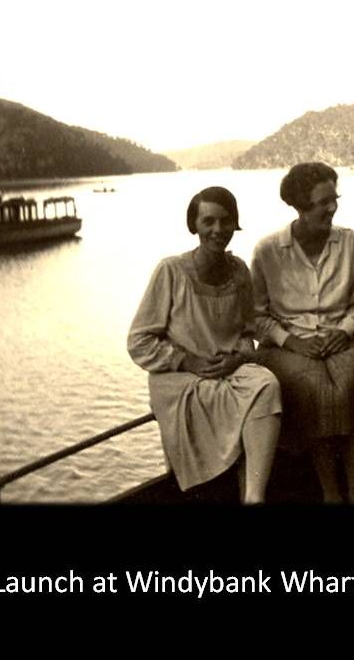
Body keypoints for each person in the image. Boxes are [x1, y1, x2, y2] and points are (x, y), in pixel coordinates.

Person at [128, 186, 281, 504]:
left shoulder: (239, 271)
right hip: (179, 377)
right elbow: (139, 341)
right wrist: (188, 361)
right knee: (214, 398)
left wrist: (237, 358)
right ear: (193, 225)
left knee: (266, 383)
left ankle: (254, 496)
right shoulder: (171, 271)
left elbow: (247, 332)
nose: (218, 230)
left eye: (226, 221)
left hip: (226, 369)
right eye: (208, 221)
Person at [250, 162, 354, 504]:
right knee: (312, 385)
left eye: (334, 198)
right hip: (288, 343)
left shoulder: (349, 242)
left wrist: (345, 332)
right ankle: (331, 491)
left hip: (341, 337)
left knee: (352, 376)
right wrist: (292, 342)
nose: (332, 207)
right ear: (300, 206)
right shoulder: (268, 251)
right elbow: (258, 317)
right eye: (323, 202)